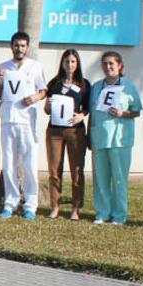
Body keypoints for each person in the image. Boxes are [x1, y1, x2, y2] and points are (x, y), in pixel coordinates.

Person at [0, 31, 46, 221]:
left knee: (30, 164)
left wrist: (34, 97)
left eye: (23, 45)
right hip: (8, 120)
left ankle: (30, 205)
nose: (20, 49)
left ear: (28, 47)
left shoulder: (35, 66)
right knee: (9, 164)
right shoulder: (3, 67)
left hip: (26, 120)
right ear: (12, 46)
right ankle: (10, 203)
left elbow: (43, 91)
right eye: (17, 45)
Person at [88, 51, 140, 226]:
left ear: (119, 66)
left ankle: (119, 215)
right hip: (100, 138)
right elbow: (92, 114)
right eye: (105, 63)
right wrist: (90, 136)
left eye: (111, 63)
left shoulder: (129, 87)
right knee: (100, 178)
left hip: (120, 140)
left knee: (119, 178)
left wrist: (122, 113)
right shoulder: (96, 87)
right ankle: (102, 213)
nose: (108, 67)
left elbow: (137, 111)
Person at [43, 49, 90, 221]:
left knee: (76, 170)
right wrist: (47, 106)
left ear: (77, 64)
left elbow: (87, 107)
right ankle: (55, 206)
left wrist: (81, 115)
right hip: (54, 131)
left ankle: (76, 208)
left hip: (74, 131)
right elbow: (47, 109)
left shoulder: (84, 84)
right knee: (55, 170)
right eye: (66, 61)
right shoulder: (54, 83)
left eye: (73, 62)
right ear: (62, 63)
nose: (69, 65)